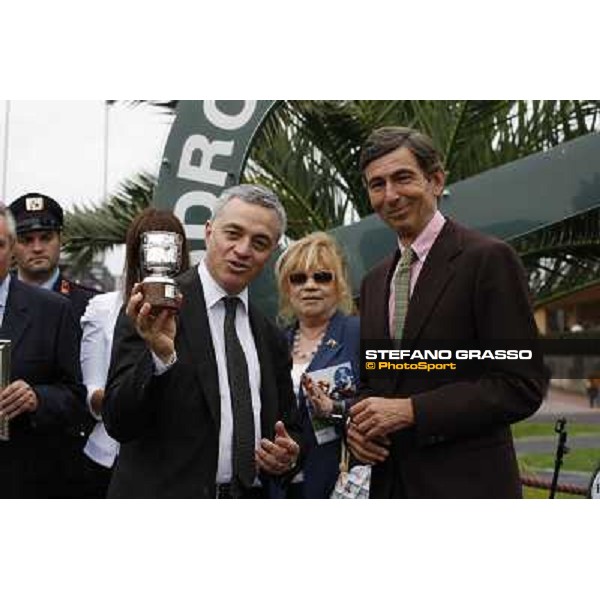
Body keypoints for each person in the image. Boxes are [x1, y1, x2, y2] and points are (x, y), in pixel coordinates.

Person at [349, 126, 548, 498]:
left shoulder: (487, 259)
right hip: (390, 488)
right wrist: (358, 428)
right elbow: (376, 381)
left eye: (402, 177)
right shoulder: (374, 282)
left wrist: (413, 411)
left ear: (436, 180)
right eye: (377, 185)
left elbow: (520, 384)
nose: (390, 195)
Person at [103, 184, 302, 498]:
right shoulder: (152, 309)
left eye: (259, 242)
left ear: (272, 251)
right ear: (209, 232)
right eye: (233, 234)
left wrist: (288, 455)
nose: (243, 250)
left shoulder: (270, 336)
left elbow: (290, 428)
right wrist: (157, 359)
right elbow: (118, 421)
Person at [80, 208, 191, 497]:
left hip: (177, 461)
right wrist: (131, 390)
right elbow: (92, 394)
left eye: (169, 246)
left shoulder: (193, 309)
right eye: (151, 245)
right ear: (136, 252)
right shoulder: (103, 307)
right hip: (111, 456)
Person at [9, 191, 98, 497]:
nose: (37, 247)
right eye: (26, 239)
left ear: (61, 239)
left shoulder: (91, 306)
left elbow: (89, 393)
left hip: (65, 470)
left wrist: (39, 398)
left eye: (46, 237)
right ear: (11, 245)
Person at [274, 232, 360, 498]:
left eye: (322, 277)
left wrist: (336, 409)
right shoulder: (274, 342)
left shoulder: (361, 333)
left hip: (339, 483)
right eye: (298, 278)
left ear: (339, 285)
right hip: (281, 487)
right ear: (287, 289)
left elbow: (391, 399)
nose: (309, 286)